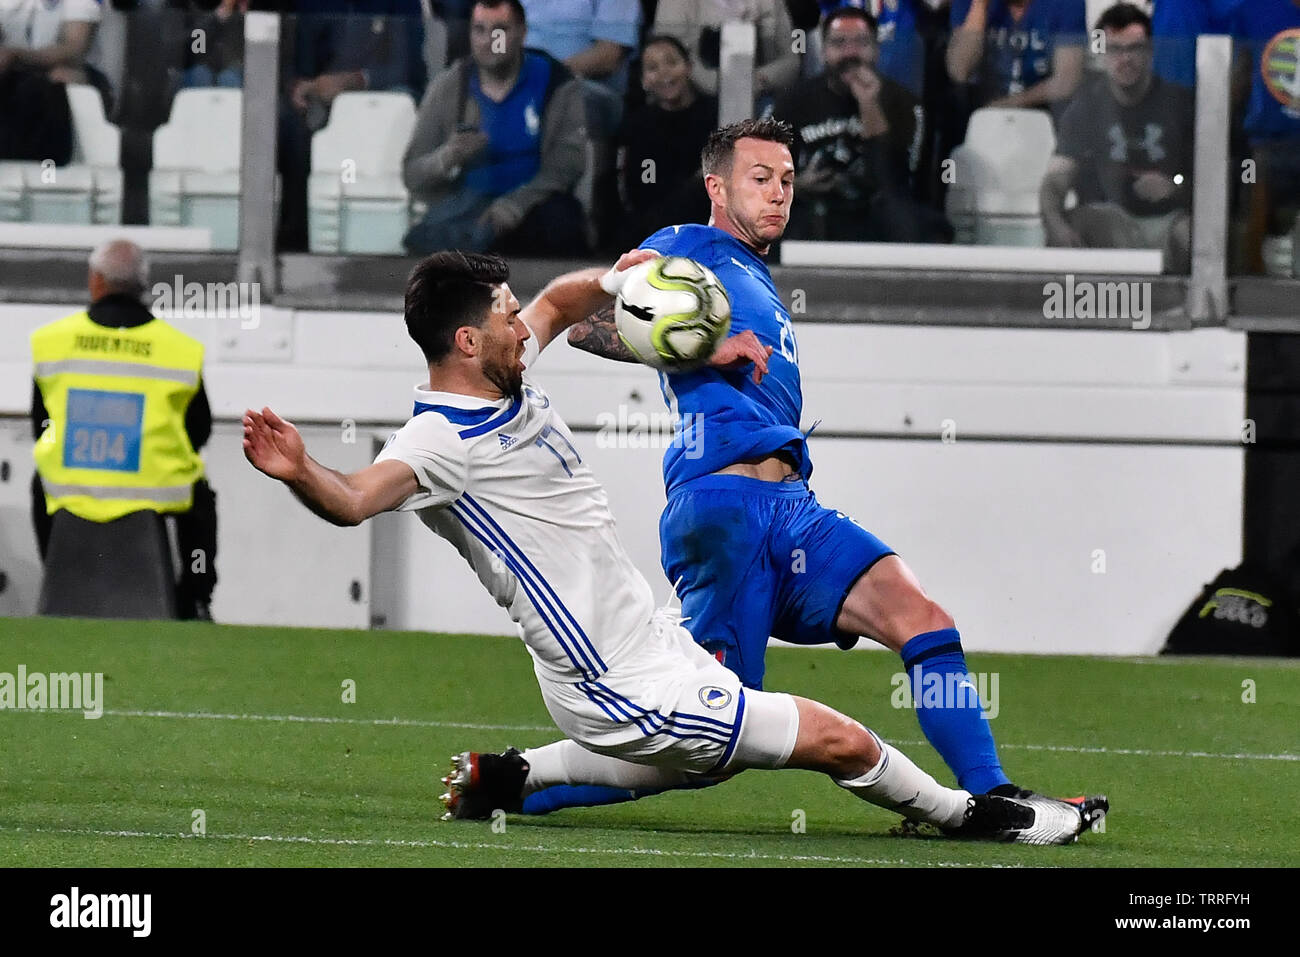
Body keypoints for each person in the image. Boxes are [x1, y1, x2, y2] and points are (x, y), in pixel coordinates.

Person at [242, 247, 1105, 845]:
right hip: (609, 682)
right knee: (833, 739)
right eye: (504, 317)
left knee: (691, 768)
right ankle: (971, 815)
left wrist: (631, 289)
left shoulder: (506, 365)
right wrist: (298, 468)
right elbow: (355, 499)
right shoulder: (436, 443)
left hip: (645, 640)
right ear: (467, 342)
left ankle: (512, 779)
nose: (521, 324)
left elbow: (563, 301)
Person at [449, 117, 1108, 836]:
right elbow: (588, 327)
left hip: (794, 507)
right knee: (709, 745)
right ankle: (523, 779)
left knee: (922, 618)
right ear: (717, 186)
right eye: (760, 178)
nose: (778, 194)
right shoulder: (683, 248)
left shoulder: (754, 274)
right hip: (723, 507)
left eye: (787, 180)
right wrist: (698, 341)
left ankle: (995, 797)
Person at [30, 240, 218, 621]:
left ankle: (57, 576)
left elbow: (41, 425)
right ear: (142, 285)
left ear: (95, 281)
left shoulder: (51, 343)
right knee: (200, 499)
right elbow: (200, 431)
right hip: (155, 493)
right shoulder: (180, 350)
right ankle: (195, 599)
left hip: (71, 488)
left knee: (40, 484)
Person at [401, 0, 589, 257]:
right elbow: (412, 174)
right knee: (422, 244)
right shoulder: (449, 85)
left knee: (560, 225)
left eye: (500, 30)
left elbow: (568, 164)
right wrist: (448, 156)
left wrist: (516, 205)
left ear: (522, 32)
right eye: (479, 30)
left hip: (537, 204)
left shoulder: (556, 82)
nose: (489, 40)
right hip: (469, 207)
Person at [768, 5, 950, 242]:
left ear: (877, 49)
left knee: (911, 220)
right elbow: (768, 177)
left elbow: (900, 184)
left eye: (861, 42)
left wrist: (870, 105)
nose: (850, 53)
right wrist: (799, 185)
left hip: (878, 211)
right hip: (812, 209)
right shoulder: (793, 103)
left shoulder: (905, 104)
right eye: (839, 43)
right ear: (822, 51)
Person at [1040, 3, 1194, 272]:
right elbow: (1055, 180)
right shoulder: (1085, 107)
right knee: (1076, 223)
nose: (1125, 59)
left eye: (1134, 48)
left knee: (1193, 234)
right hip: (1107, 222)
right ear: (1100, 54)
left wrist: (1175, 186)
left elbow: (1213, 184)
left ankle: (1189, 311)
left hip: (1169, 222)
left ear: (1150, 51)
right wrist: (1056, 225)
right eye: (1115, 49)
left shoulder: (1181, 104)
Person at [277, 0, 426, 251]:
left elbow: (408, 69)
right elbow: (301, 67)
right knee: (291, 120)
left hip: (381, 92)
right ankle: (300, 235)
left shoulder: (403, 4)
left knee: (399, 101)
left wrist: (355, 80)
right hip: (326, 100)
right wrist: (299, 88)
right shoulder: (312, 6)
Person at [615, 34, 718, 248]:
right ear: (644, 80)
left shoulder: (716, 115)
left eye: (672, 62)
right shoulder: (638, 125)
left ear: (689, 66)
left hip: (706, 222)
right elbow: (641, 188)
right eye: (653, 68)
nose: (664, 73)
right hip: (653, 227)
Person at [1230, 0, 1300, 276]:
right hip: (1265, 145)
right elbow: (1235, 77)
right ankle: (1250, 296)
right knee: (1252, 237)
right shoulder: (1255, 9)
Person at [946, 0, 1086, 112]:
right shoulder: (968, 3)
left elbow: (1067, 81)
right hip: (980, 120)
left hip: (1043, 117)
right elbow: (959, 71)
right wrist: (979, 6)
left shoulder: (1067, 3)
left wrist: (1008, 104)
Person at [651, 0, 801, 103]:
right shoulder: (674, 4)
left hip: (761, 97)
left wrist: (758, 79)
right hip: (694, 104)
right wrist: (729, 85)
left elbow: (792, 61)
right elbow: (669, 60)